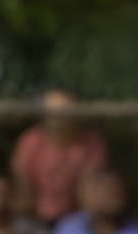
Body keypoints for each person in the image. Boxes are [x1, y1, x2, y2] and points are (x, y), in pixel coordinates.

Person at [11, 89, 108, 224]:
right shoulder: (30, 142)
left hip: (76, 221)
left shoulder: (90, 144)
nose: (59, 118)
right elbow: (23, 191)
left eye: (65, 112)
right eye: (54, 112)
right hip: (33, 220)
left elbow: (88, 192)